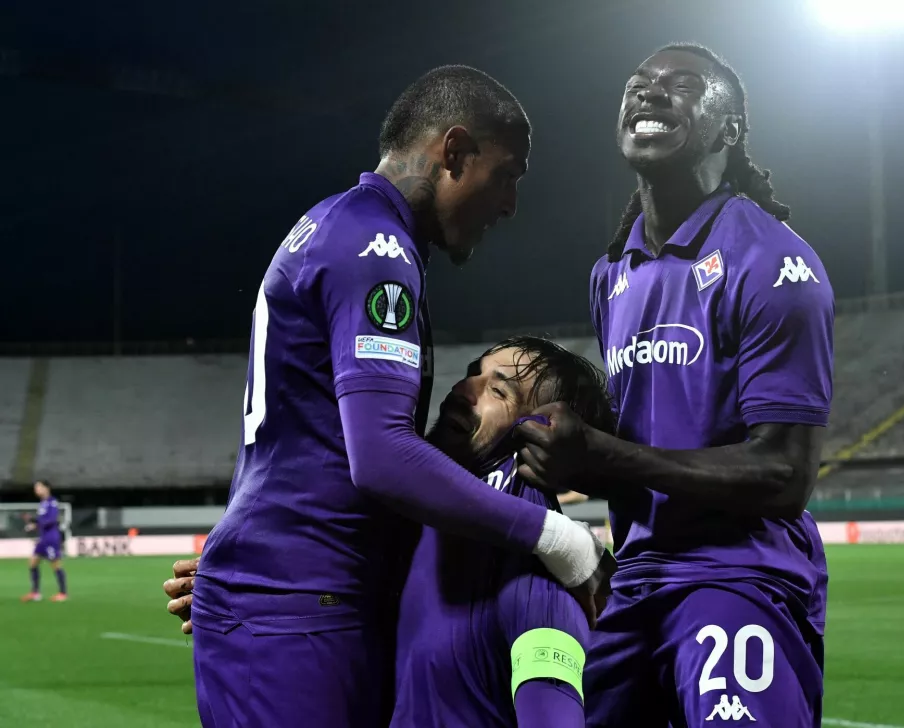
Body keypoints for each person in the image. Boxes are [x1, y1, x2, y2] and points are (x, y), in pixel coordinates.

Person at [181, 65, 609, 728]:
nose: (510, 204)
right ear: (455, 151)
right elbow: (379, 457)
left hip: (288, 596)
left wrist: (244, 565)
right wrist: (561, 540)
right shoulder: (376, 248)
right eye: (507, 175)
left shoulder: (341, 227)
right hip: (301, 609)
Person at [514, 44, 833, 727]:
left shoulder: (773, 263)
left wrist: (600, 457)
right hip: (633, 582)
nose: (650, 95)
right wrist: (563, 459)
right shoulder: (612, 274)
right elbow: (642, 451)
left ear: (730, 129)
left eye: (681, 86)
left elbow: (785, 473)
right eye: (639, 85)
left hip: (737, 577)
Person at [391, 335, 615, 727]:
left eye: (498, 390)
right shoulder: (424, 529)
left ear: (542, 436)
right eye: (472, 373)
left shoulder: (537, 579)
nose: (464, 390)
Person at [21, 480, 68, 603]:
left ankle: (63, 593)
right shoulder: (43, 503)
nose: (36, 490)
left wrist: (37, 523)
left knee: (55, 564)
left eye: (38, 487)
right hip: (43, 538)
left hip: (51, 538)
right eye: (35, 488)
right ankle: (35, 593)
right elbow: (43, 521)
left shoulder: (52, 502)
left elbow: (52, 520)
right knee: (33, 562)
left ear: (46, 488)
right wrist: (33, 523)